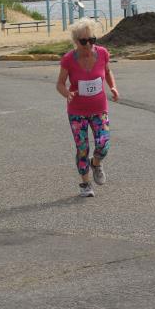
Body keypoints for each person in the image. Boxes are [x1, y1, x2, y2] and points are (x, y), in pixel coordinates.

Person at [56, 18, 119, 197]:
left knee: (103, 144)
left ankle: (96, 163)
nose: (89, 44)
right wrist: (67, 93)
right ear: (76, 42)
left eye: (92, 40)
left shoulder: (103, 53)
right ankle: (85, 184)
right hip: (77, 112)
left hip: (99, 109)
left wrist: (113, 87)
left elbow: (107, 72)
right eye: (84, 41)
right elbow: (60, 84)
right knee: (82, 148)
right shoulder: (68, 59)